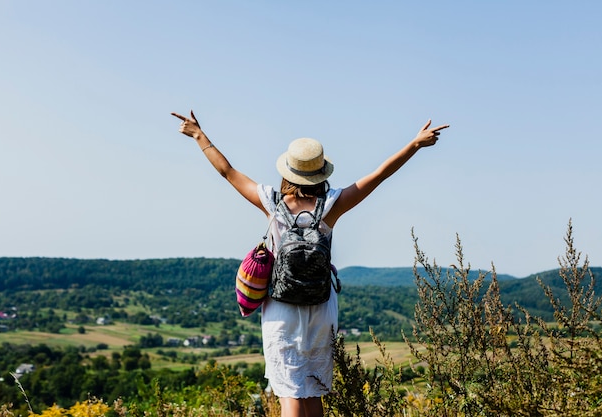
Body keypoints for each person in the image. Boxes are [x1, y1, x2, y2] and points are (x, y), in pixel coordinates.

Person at [171, 110, 449, 417]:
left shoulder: (271, 203)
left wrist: (199, 135)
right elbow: (380, 174)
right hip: (320, 309)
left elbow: (228, 171)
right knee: (312, 390)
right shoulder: (332, 205)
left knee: (289, 392)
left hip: (281, 310)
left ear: (288, 172)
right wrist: (414, 144)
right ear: (321, 173)